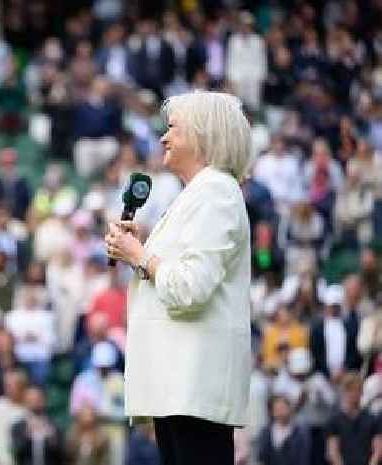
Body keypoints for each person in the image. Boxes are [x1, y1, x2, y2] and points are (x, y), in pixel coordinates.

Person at [105, 90, 252, 465]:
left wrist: (139, 255)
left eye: (172, 128)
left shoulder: (217, 191)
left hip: (194, 385)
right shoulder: (198, 194)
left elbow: (189, 288)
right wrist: (137, 256)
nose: (162, 138)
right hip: (179, 386)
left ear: (202, 135)